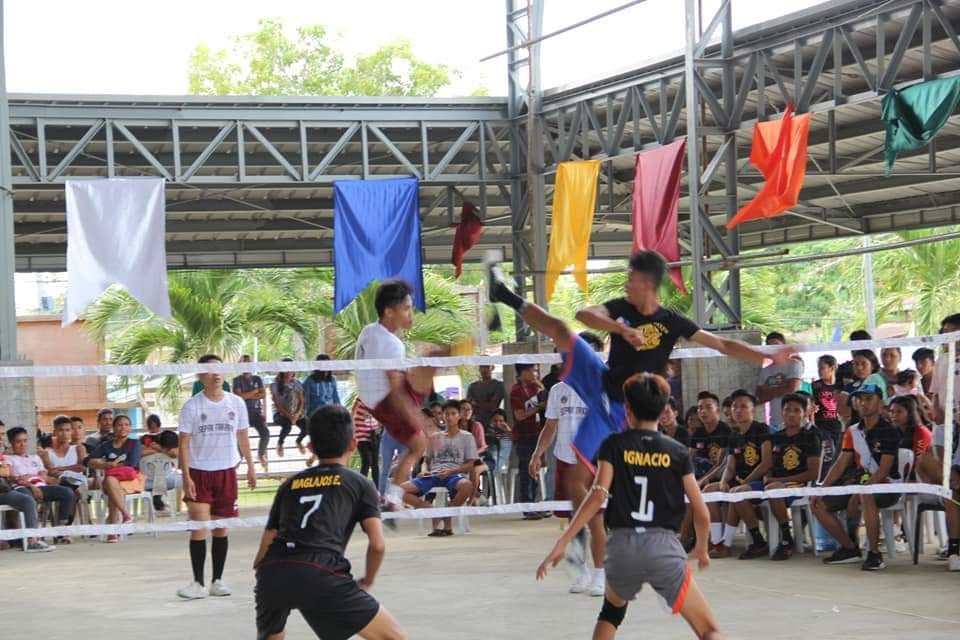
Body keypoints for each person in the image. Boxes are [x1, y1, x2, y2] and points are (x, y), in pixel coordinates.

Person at [486, 249, 790, 479]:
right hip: (601, 379)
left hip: (627, 408)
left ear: (647, 283)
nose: (626, 283)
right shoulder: (621, 307)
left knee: (594, 472)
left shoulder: (673, 321)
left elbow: (722, 344)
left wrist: (764, 354)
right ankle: (503, 293)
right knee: (563, 331)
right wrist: (622, 330)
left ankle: (591, 535)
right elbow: (583, 315)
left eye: (631, 278)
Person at [536, 373, 721, 640]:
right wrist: (702, 548)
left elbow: (597, 496)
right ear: (664, 409)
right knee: (709, 631)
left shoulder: (613, 445)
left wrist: (563, 542)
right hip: (663, 547)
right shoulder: (677, 451)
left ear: (628, 410)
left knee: (611, 613)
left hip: (622, 546)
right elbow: (701, 511)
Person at [253, 404, 407, 640]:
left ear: (311, 447)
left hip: (273, 570)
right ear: (353, 445)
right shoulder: (359, 483)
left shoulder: (289, 485)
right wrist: (368, 580)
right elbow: (378, 545)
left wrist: (274, 581)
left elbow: (262, 552)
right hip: (321, 571)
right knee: (395, 637)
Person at [531, 331, 607, 596]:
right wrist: (537, 453)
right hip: (565, 459)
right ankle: (581, 572)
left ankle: (601, 573)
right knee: (573, 519)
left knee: (596, 520)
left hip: (594, 461)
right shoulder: (558, 389)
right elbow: (550, 426)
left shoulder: (604, 386)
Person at [177, 353, 256, 600]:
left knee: (221, 529)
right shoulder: (192, 406)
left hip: (226, 471)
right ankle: (197, 583)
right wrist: (186, 476)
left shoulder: (236, 403)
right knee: (199, 528)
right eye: (210, 370)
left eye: (219, 369)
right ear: (201, 376)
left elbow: (243, 436)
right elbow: (183, 444)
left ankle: (217, 580)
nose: (216, 374)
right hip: (199, 472)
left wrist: (251, 466)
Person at [811, 383, 902, 571]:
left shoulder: (889, 430)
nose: (863, 403)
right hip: (860, 485)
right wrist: (822, 488)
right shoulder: (852, 431)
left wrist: (861, 490)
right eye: (860, 399)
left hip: (887, 486)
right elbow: (841, 463)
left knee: (865, 496)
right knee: (817, 502)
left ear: (880, 403)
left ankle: (874, 554)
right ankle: (850, 548)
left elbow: (884, 470)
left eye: (869, 399)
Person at [732, 394, 821, 561]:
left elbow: (813, 473)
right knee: (738, 492)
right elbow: (769, 465)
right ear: (782, 412)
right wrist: (768, 477)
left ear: (804, 413)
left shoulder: (810, 437)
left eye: (796, 410)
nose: (791, 414)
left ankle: (787, 539)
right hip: (774, 483)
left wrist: (781, 482)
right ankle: (758, 541)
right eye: (787, 410)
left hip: (798, 484)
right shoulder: (776, 437)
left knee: (774, 490)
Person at [703, 390, 770, 559]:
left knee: (736, 493)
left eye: (743, 406)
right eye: (735, 407)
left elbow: (766, 463)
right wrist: (725, 480)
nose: (738, 410)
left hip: (759, 482)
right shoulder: (734, 435)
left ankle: (757, 541)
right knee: (710, 490)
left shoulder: (762, 429)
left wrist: (746, 481)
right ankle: (717, 541)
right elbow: (730, 463)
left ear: (752, 409)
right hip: (739, 483)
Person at [399, 400, 477, 536]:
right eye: (446, 414)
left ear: (459, 416)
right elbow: (426, 460)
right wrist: (424, 470)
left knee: (467, 486)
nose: (449, 417)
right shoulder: (435, 437)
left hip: (454, 474)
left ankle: (447, 517)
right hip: (433, 474)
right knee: (399, 490)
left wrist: (453, 471)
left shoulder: (467, 437)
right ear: (443, 416)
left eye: (453, 413)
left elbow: (471, 464)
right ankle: (433, 512)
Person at [5, 426, 75, 535]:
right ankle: (32, 535)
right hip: (22, 488)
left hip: (41, 486)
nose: (22, 444)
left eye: (25, 441)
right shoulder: (8, 459)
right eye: (18, 441)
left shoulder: (35, 458)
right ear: (11, 443)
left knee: (67, 492)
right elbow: (14, 478)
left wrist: (31, 476)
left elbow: (43, 473)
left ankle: (62, 530)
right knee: (27, 498)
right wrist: (31, 484)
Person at [87, 415, 144, 543]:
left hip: (131, 479)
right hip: (112, 480)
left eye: (127, 425)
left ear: (130, 428)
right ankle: (125, 516)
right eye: (119, 425)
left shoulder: (134, 443)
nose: (123, 427)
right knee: (111, 482)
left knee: (110, 481)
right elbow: (89, 461)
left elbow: (132, 463)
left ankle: (113, 529)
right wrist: (104, 464)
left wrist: (112, 465)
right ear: (114, 428)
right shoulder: (105, 445)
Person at [0, 453, 54, 552]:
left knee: (27, 500)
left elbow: (6, 472)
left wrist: (3, 470)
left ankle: (32, 541)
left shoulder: (1, 455)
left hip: (3, 491)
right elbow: (4, 471)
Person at [511, 363, 544, 516]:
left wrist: (539, 384)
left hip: (536, 433)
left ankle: (535, 504)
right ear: (523, 372)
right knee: (526, 469)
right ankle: (527, 506)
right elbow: (519, 415)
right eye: (532, 371)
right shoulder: (516, 391)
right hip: (523, 436)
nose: (535, 373)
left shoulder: (534, 388)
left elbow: (546, 396)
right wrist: (537, 407)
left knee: (536, 468)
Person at [755, 332, 803, 431]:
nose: (774, 349)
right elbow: (760, 396)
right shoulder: (765, 370)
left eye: (776, 345)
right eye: (770, 346)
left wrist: (768, 389)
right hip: (775, 422)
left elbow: (791, 390)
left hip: (795, 421)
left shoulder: (794, 364)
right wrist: (782, 387)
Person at [233, 355, 270, 470]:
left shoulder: (257, 379)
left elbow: (263, 394)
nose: (247, 366)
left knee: (265, 433)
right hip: (242, 414)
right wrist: (254, 392)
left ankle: (260, 454)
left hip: (256, 413)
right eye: (244, 363)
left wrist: (248, 395)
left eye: (249, 363)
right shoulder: (237, 380)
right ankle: (238, 458)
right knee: (240, 438)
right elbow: (239, 397)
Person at [139, 414, 180, 514]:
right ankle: (158, 502)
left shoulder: (166, 436)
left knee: (160, 467)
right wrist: (158, 450)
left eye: (155, 426)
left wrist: (158, 449)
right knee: (157, 467)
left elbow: (174, 453)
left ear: (159, 425)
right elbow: (140, 452)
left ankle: (158, 502)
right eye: (151, 426)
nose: (153, 429)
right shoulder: (144, 438)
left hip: (163, 470)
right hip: (149, 472)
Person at [690, 392, 732, 487]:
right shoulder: (698, 433)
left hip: (717, 477)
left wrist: (701, 481)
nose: (703, 411)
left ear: (717, 410)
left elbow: (719, 464)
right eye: (700, 408)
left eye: (708, 407)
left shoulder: (725, 431)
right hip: (699, 475)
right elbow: (689, 458)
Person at [272, 361, 306, 458]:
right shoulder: (275, 384)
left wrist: (296, 414)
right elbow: (277, 404)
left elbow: (301, 401)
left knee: (307, 427)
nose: (288, 372)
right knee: (287, 426)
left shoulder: (297, 383)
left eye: (290, 369)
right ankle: (280, 444)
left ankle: (298, 441)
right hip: (280, 413)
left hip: (295, 413)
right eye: (285, 369)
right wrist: (289, 416)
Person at [930, 313, 960, 425]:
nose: (948, 336)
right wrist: (937, 412)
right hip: (946, 422)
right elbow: (935, 393)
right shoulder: (941, 361)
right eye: (945, 332)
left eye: (954, 331)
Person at [467, 365, 506, 432]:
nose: (484, 369)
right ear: (479, 368)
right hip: (476, 425)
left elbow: (493, 406)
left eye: (487, 366)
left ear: (492, 367)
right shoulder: (472, 387)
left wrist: (476, 403)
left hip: (494, 425)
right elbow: (469, 406)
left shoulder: (498, 385)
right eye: (482, 367)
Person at [353, 399, 381, 484]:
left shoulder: (379, 399)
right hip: (361, 433)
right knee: (367, 461)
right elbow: (353, 413)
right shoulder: (361, 398)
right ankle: (361, 486)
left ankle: (377, 489)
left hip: (373, 433)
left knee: (375, 462)